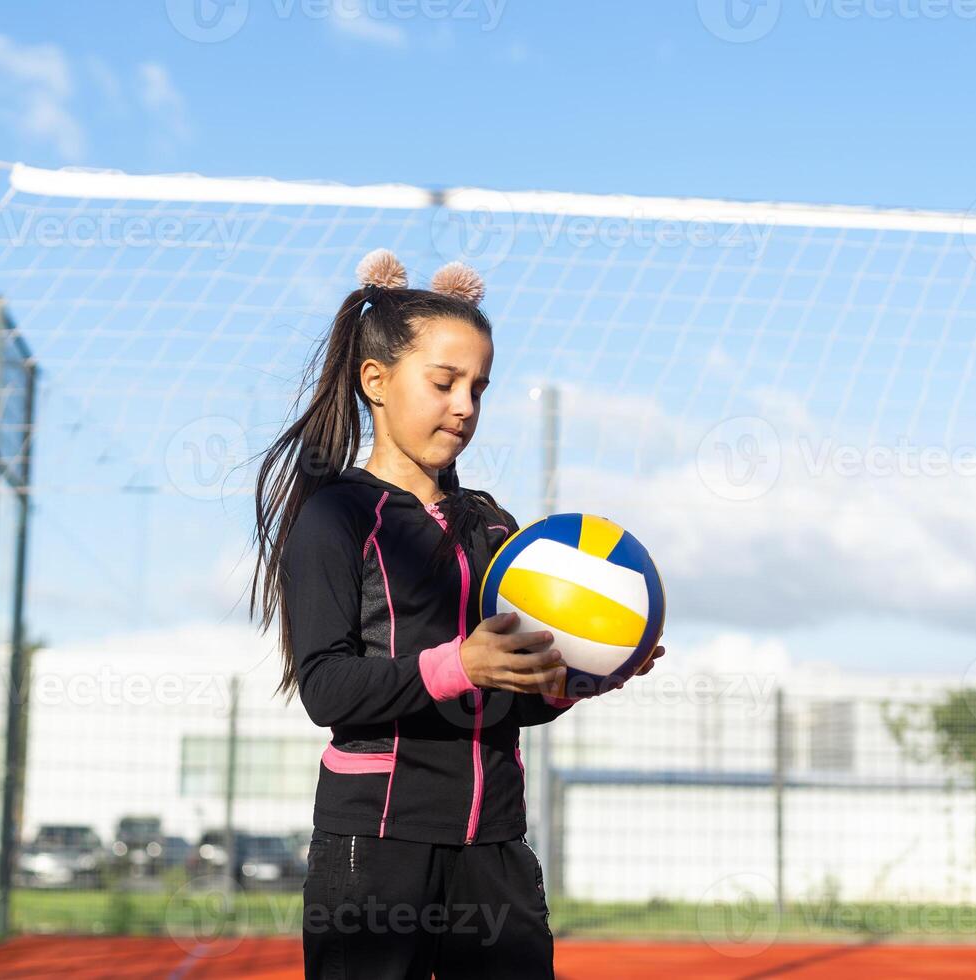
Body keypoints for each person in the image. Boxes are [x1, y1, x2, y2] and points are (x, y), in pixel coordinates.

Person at [249, 248, 664, 978]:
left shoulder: (493, 527)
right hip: (376, 848)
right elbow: (326, 687)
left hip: (495, 846)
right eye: (443, 382)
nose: (465, 404)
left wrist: (577, 680)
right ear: (375, 381)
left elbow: (506, 701)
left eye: (478, 386)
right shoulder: (337, 517)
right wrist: (459, 662)